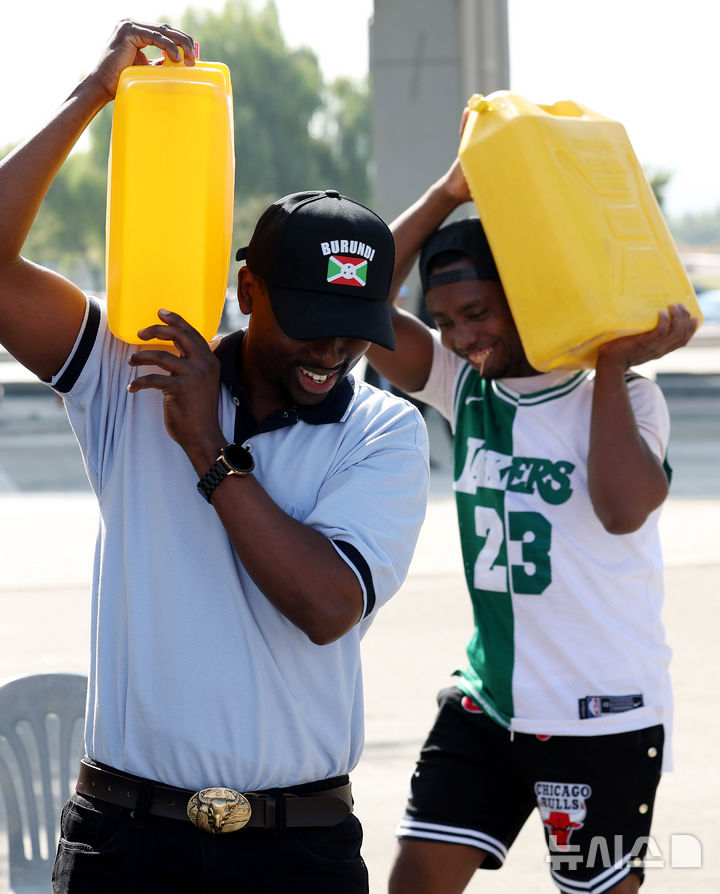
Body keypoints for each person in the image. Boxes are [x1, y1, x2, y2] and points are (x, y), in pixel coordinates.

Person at [0, 20, 430, 894]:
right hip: (127, 839)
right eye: (312, 322)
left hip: (296, 847)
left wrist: (207, 448)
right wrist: (94, 96)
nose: (334, 352)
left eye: (358, 331)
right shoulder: (135, 368)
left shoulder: (385, 432)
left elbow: (324, 603)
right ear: (246, 290)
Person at [365, 112, 698, 894]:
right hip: (490, 701)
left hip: (602, 715)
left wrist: (612, 358)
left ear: (528, 296)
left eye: (476, 314)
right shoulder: (463, 388)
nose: (458, 338)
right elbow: (354, 303)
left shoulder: (624, 398)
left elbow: (622, 508)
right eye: (444, 321)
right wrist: (449, 190)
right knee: (413, 881)